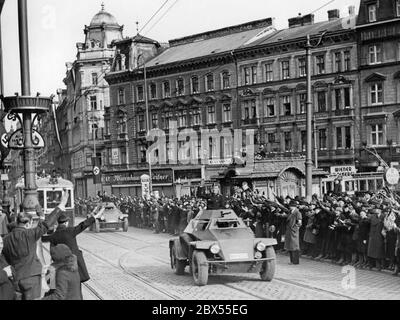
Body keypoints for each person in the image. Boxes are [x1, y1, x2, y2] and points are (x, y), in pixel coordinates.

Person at [1, 190, 69, 300]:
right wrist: (61, 206)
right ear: (28, 223)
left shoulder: (6, 239)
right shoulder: (29, 234)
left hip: (16, 279)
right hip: (32, 278)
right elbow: (47, 224)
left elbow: (3, 261)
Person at [42, 205, 105, 298]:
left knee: (58, 288)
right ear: (66, 223)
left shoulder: (54, 236)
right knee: (76, 289)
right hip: (74, 265)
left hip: (60, 267)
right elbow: (83, 225)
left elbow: (42, 238)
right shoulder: (70, 231)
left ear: (58, 223)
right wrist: (95, 217)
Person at [284, 201, 302, 265]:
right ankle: (292, 261)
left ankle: (295, 261)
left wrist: (294, 229)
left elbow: (299, 223)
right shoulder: (290, 212)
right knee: (290, 246)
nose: (289, 207)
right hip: (289, 231)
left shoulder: (297, 213)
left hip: (294, 231)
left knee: (295, 246)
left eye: (290, 206)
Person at [0, 236, 15, 300]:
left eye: (1, 243)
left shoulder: (3, 256)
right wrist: (5, 273)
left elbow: (11, 269)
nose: (0, 246)